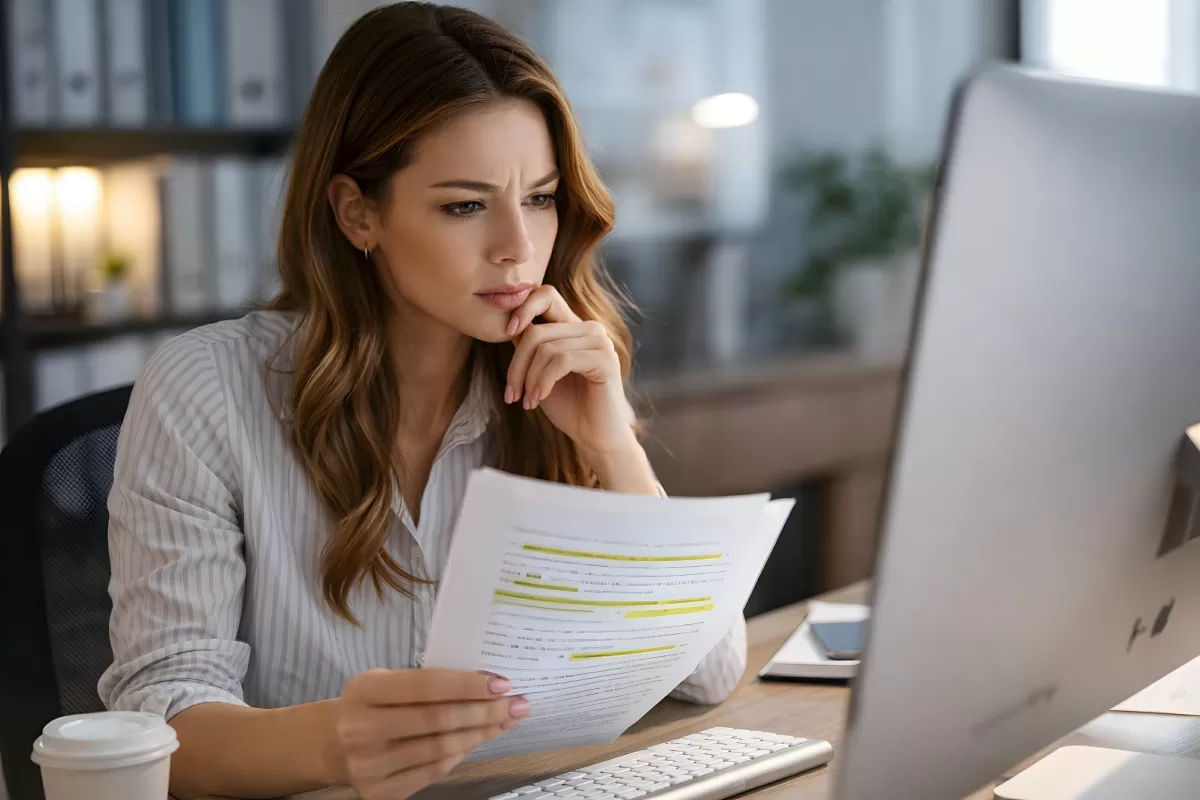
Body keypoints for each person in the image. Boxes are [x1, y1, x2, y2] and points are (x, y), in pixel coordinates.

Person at [98, 4, 748, 799]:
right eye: (465, 206)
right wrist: (335, 744)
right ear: (357, 212)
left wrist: (612, 449)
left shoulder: (551, 380)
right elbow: (160, 729)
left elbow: (708, 672)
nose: (517, 246)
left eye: (540, 198)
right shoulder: (205, 391)